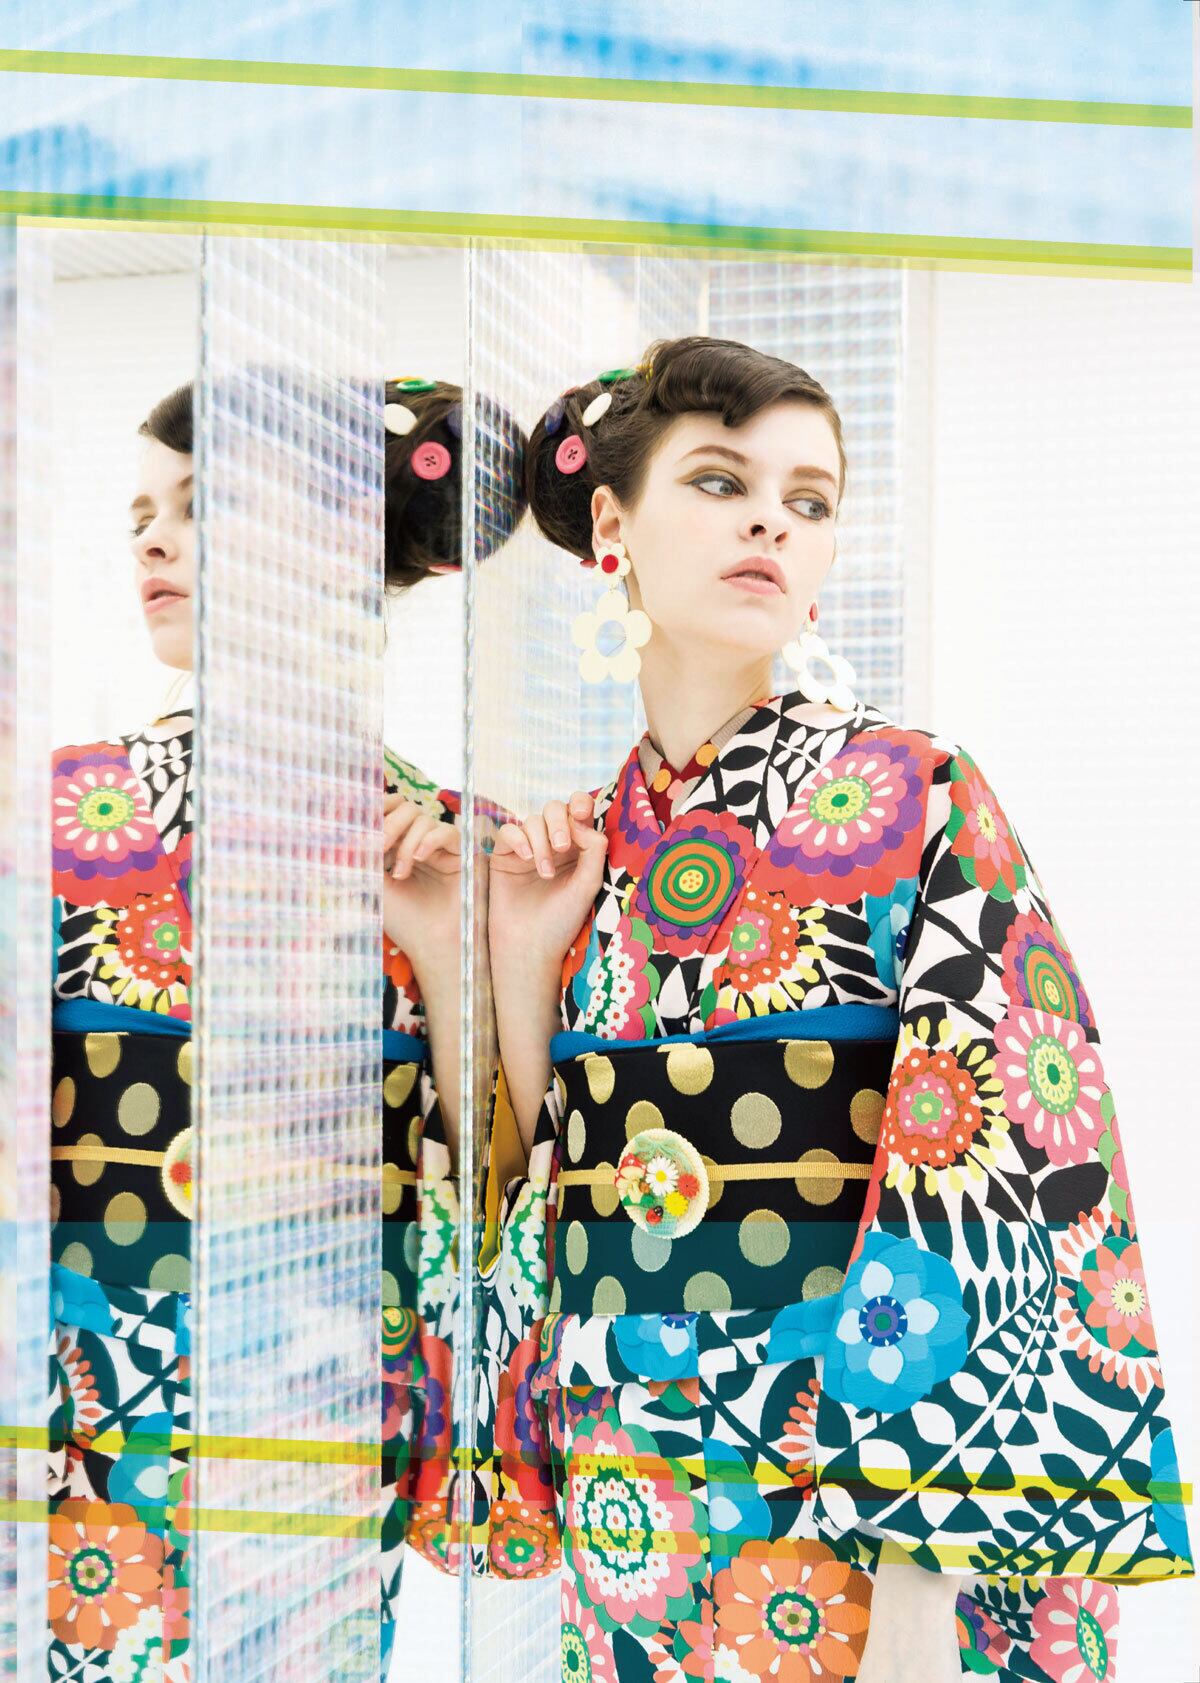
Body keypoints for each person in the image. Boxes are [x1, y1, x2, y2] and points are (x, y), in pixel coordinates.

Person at [477, 336, 1193, 1682]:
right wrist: (526, 956)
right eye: (721, 481)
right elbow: (554, 1191)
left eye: (807, 500)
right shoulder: (590, 846)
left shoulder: (913, 795)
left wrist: (923, 1589)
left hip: (850, 1496)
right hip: (630, 1485)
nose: (770, 521)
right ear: (611, 526)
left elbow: (1002, 1175)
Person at [46, 373, 523, 1683]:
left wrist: (443, 947)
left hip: (322, 1429)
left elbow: (502, 1186)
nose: (152, 541)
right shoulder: (68, 817)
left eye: (200, 506)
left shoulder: (449, 849)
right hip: (75, 1420)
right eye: (141, 515)